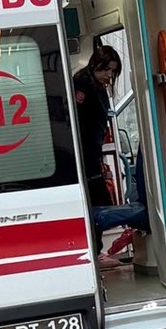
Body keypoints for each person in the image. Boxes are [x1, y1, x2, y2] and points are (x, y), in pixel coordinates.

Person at [73, 45, 122, 269]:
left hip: (92, 153)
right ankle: (94, 251)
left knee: (98, 202)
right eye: (106, 70)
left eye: (113, 71)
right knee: (97, 202)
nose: (109, 75)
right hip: (85, 155)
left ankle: (96, 249)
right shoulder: (83, 85)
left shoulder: (97, 86)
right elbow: (82, 123)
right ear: (96, 65)